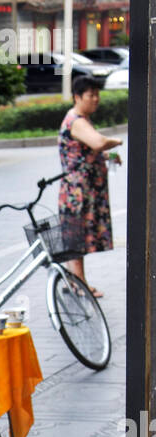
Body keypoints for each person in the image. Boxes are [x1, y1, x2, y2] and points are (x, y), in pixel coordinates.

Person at [58, 76, 122, 295]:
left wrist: (109, 154)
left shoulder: (81, 119)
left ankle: (75, 281)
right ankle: (78, 283)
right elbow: (98, 142)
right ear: (77, 97)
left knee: (78, 236)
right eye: (90, 95)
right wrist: (117, 141)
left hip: (81, 190)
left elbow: (90, 150)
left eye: (97, 94)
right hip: (78, 191)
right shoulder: (76, 121)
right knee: (76, 237)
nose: (96, 99)